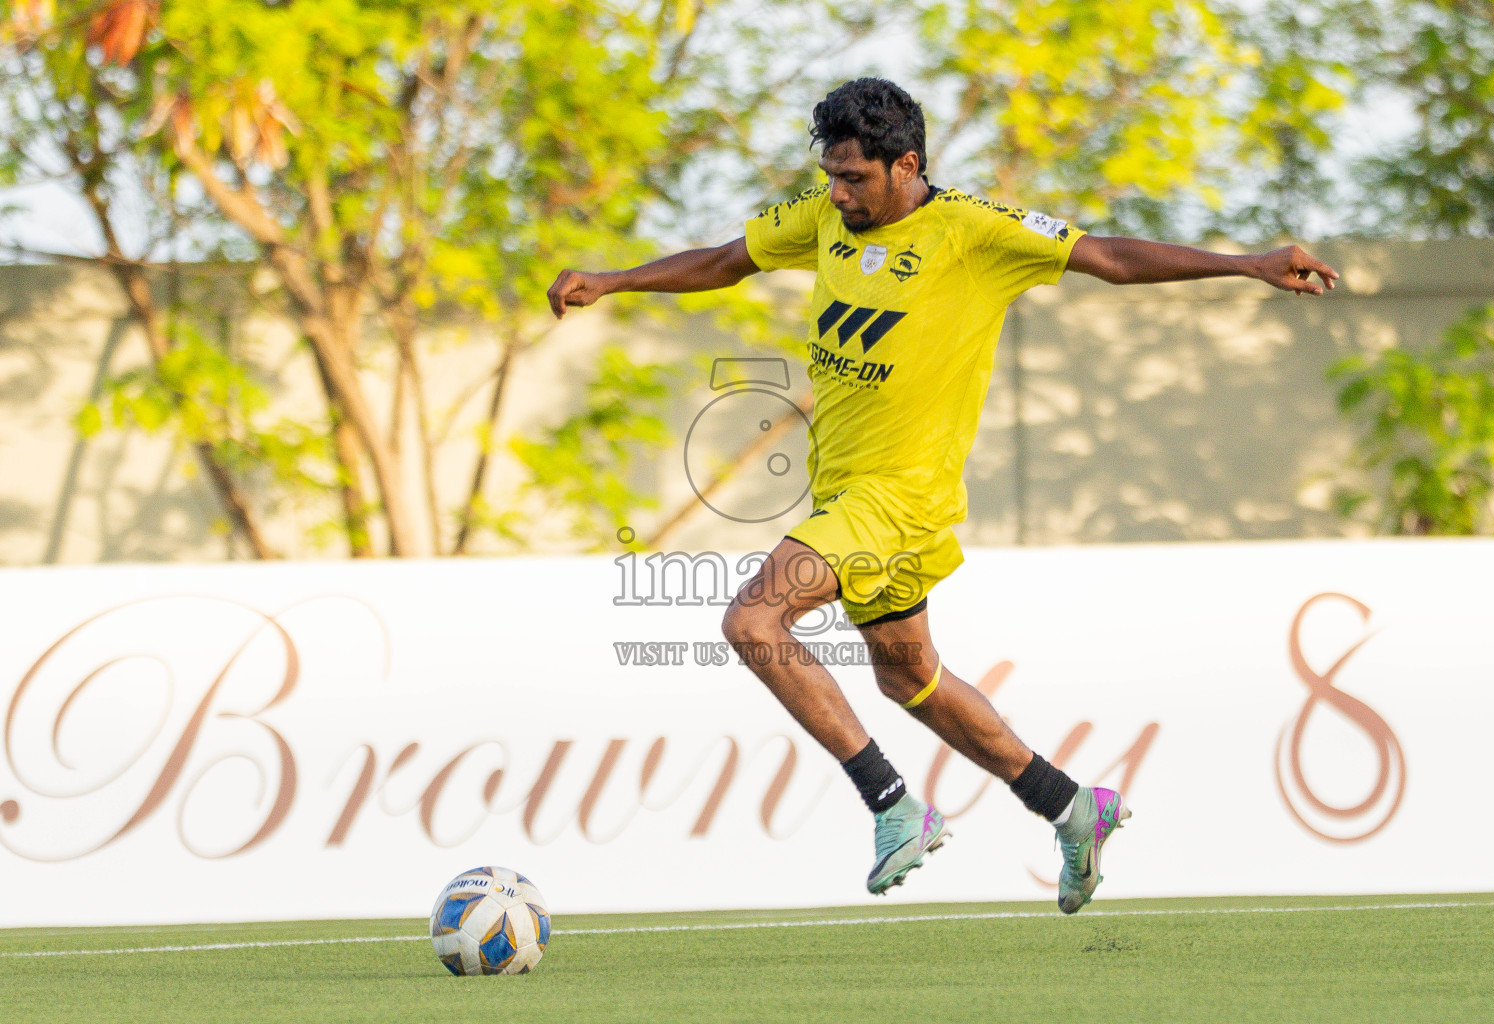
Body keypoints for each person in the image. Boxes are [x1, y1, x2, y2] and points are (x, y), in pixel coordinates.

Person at [547, 77, 1338, 913]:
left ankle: (892, 807)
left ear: (906, 165)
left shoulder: (974, 231)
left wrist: (1246, 264)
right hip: (849, 493)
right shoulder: (824, 217)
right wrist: (615, 279)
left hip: (901, 497)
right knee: (908, 676)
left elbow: (1107, 258)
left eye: (854, 178)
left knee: (751, 620)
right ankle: (1070, 806)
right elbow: (722, 261)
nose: (838, 193)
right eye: (831, 176)